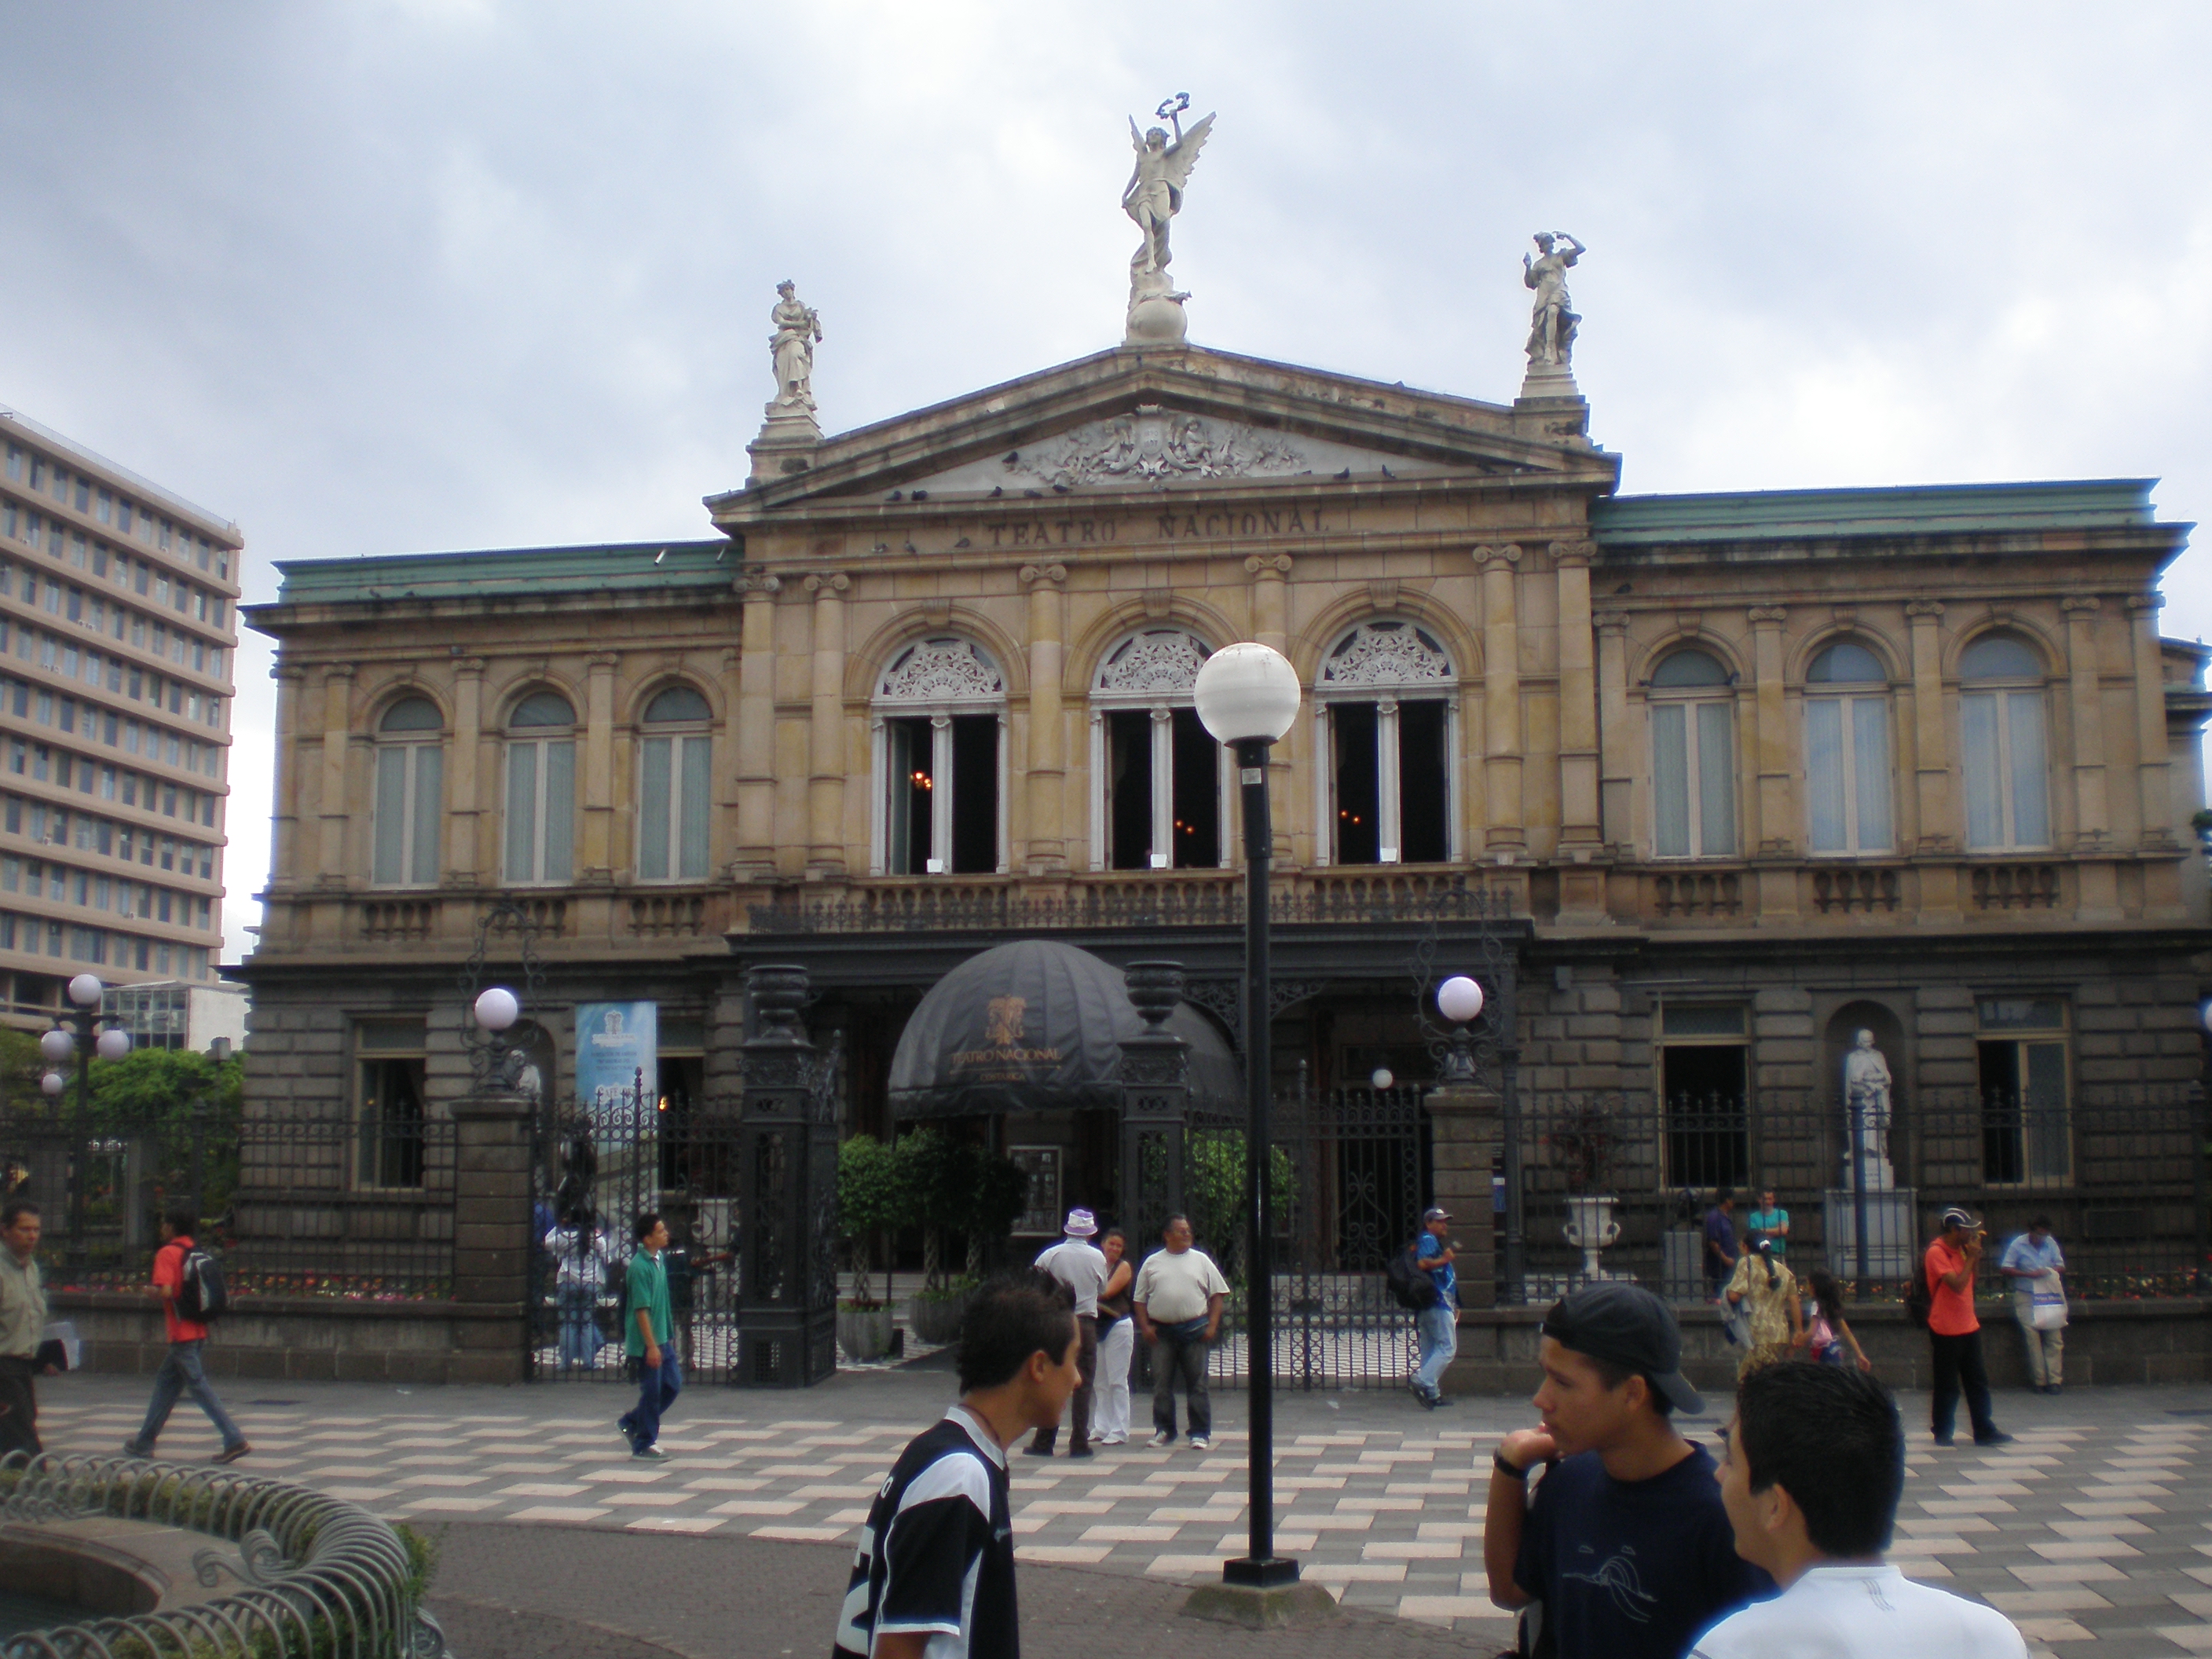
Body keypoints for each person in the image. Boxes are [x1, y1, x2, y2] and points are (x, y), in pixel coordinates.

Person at [1484, 1282, 1772, 1659]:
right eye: (1546, 1375)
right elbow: (1510, 1591)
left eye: (1563, 1382)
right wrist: (1510, 1465)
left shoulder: (1717, 1512)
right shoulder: (1569, 1483)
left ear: (1633, 1394)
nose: (1542, 1399)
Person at [1691, 1361, 2029, 1659]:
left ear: (1776, 1506)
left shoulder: (1737, 1647)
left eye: (1731, 1460)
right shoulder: (1990, 1636)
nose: (1718, 1474)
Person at [833, 1271, 1081, 1659]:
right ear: (1038, 1366)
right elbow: (898, 1647)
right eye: (1073, 1360)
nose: (1078, 1379)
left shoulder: (945, 1454)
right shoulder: (959, 1476)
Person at [122, 1207, 250, 1463]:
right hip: (199, 1330)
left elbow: (167, 1292)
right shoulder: (195, 1251)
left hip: (182, 1334)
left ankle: (233, 1438)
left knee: (199, 1387)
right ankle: (144, 1442)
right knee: (166, 1386)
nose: (161, 1229)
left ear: (170, 1227)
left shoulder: (168, 1253)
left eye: (163, 1223)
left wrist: (150, 1291)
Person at [1132, 1213, 1227, 1451]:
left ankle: (1200, 1432)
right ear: (1167, 1235)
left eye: (1188, 1230)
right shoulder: (1152, 1262)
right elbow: (1140, 1299)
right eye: (1180, 1230)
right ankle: (1164, 1429)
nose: (1187, 1234)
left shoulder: (1201, 1260)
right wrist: (1145, 1327)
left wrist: (1212, 1325)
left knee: (1197, 1383)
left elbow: (1217, 1295)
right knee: (1161, 1384)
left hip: (1194, 1329)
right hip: (1162, 1332)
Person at [1925, 1207, 2009, 1448]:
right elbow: (1958, 1285)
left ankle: (1984, 1429)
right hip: (1945, 1329)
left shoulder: (1962, 1249)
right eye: (1967, 1229)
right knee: (1947, 1384)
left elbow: (1973, 1281)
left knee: (1977, 1381)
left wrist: (1975, 1258)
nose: (1972, 1233)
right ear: (1954, 1230)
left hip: (1968, 1324)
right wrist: (1971, 1258)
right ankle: (1942, 1431)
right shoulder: (1936, 1253)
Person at [1027, 1209, 1106, 1459]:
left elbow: (1034, 1281)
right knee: (1084, 1384)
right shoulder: (1097, 1257)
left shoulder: (1051, 1255)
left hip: (1057, 1321)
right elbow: (1102, 1288)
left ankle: (1044, 1440)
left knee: (1053, 1380)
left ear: (1067, 1230)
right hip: (1085, 1323)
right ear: (1091, 1233)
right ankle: (1079, 1442)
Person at [617, 1212, 681, 1459]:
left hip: (661, 1337)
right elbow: (641, 1311)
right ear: (647, 1238)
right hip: (647, 1342)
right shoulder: (639, 1267)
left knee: (672, 1385)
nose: (666, 1234)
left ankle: (633, 1421)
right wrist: (651, 1346)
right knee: (653, 1391)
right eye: (660, 1231)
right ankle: (644, 1442)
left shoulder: (659, 1260)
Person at [0, 1199, 51, 1459]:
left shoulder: (30, 1267)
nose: (32, 1236)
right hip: (3, 1368)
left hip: (24, 1367)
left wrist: (44, 1359)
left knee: (20, 1429)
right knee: (23, 1443)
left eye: (36, 1230)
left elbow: (31, 1318)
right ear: (5, 1230)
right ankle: (35, 1492)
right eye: (24, 1229)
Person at [1999, 1216, 2067, 1394]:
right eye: (2039, 1235)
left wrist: (2048, 1271)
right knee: (2032, 1336)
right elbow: (2006, 1268)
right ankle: (2040, 1380)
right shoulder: (2018, 1244)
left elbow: (2061, 1266)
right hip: (2026, 1294)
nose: (2042, 1238)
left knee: (2054, 1336)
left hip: (2047, 1294)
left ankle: (2054, 1380)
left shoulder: (2050, 1243)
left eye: (2045, 1235)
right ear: (2031, 1232)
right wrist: (2028, 1274)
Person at [1723, 1240, 1804, 1376]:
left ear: (1745, 1246)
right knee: (1763, 1376)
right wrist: (1798, 1330)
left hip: (1758, 1331)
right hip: (1779, 1333)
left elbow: (1734, 1296)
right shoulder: (1783, 1271)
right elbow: (1794, 1301)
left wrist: (1726, 1292)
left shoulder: (1746, 1263)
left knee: (1751, 1379)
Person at [547, 1209, 612, 1372]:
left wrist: (559, 1226)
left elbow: (547, 1243)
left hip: (567, 1282)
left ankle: (566, 1362)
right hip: (590, 1283)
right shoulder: (596, 1238)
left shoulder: (566, 1237)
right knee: (587, 1323)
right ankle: (589, 1361)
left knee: (568, 1323)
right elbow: (608, 1259)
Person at [1409, 1206, 1459, 1409]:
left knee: (1430, 1350)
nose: (1444, 1224)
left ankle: (1432, 1394)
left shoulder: (1430, 1241)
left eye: (1445, 1220)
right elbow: (1422, 1263)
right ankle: (1422, 1381)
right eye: (1439, 1221)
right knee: (1448, 1348)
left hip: (1428, 1305)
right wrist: (1444, 1260)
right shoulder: (1428, 1240)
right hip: (1437, 1302)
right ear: (1428, 1223)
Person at [1091, 1228, 1134, 1446]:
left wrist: (1085, 1291)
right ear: (1103, 1244)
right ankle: (1102, 1426)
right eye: (1111, 1244)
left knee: (1117, 1379)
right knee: (1100, 1380)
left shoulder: (1123, 1267)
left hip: (1117, 1325)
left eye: (1119, 1245)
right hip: (1098, 1326)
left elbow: (1107, 1291)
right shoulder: (1096, 1264)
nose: (1114, 1249)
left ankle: (1120, 1429)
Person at [1800, 1269, 1870, 1371]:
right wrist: (1859, 1354)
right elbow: (1848, 1333)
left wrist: (1795, 1343)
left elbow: (1811, 1332)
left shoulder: (1816, 1306)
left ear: (1813, 1286)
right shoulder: (1832, 1307)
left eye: (1807, 1283)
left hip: (1823, 1351)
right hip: (1835, 1349)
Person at [1705, 1190, 1739, 1302]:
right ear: (1727, 1200)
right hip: (1720, 1264)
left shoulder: (1725, 1217)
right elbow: (1713, 1242)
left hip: (1729, 1263)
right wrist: (1725, 1259)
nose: (1734, 1202)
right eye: (1732, 1199)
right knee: (1721, 1290)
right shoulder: (1715, 1217)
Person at [1744, 1188, 1789, 1260]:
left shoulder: (1782, 1214)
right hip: (1759, 1255)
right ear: (1759, 1200)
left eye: (1770, 1199)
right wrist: (1776, 1231)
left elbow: (1783, 1231)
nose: (1767, 1202)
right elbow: (1754, 1236)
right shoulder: (1753, 1217)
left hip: (1777, 1254)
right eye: (1765, 1199)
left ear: (1774, 1200)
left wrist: (1761, 1231)